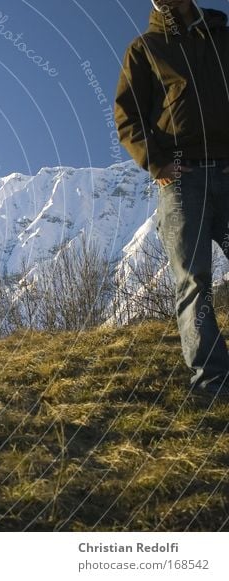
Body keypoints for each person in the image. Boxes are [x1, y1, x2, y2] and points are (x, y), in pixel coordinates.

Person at [115, 0, 229, 399]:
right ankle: (213, 385)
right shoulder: (144, 48)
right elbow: (127, 115)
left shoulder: (221, 37)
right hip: (183, 182)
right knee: (193, 280)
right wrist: (157, 163)